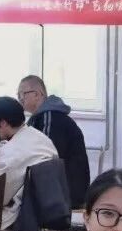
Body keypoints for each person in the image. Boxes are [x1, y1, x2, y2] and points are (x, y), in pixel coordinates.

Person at [0, 96, 57, 230]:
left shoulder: (10, 153)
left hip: (19, 216)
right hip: (46, 206)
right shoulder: (41, 138)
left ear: (3, 123)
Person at [18, 75, 90, 209]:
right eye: (18, 95)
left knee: (16, 202)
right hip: (57, 187)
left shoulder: (51, 118)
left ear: (37, 94)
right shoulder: (38, 118)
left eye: (22, 94)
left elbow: (45, 157)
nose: (20, 99)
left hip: (67, 192)